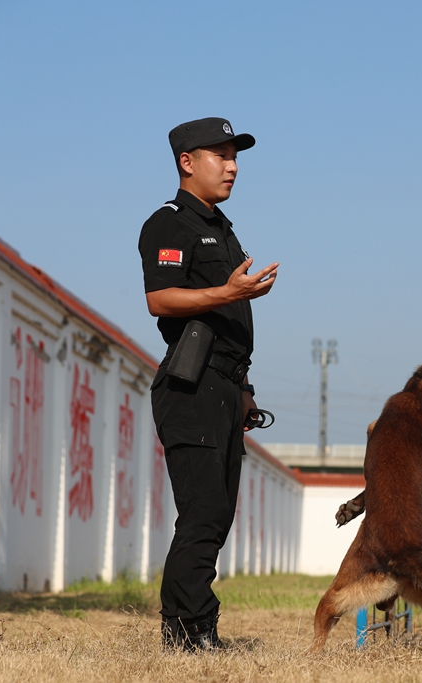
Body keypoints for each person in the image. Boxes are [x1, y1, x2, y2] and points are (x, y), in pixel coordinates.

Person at [138, 117, 278, 651]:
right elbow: (160, 299)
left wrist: (243, 391)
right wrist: (226, 292)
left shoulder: (222, 226)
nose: (233, 165)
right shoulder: (169, 223)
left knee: (217, 513)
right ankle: (191, 632)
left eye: (235, 155)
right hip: (189, 386)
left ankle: (189, 628)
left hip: (223, 386)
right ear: (187, 162)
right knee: (201, 513)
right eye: (220, 155)